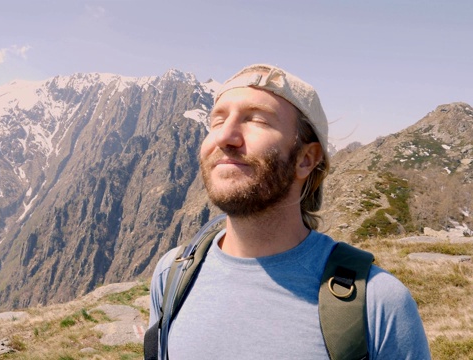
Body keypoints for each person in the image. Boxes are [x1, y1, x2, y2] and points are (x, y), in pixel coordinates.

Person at [148, 64, 431, 359]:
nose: (225, 136)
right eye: (217, 121)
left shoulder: (377, 303)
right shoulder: (172, 275)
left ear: (306, 160)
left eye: (256, 119)